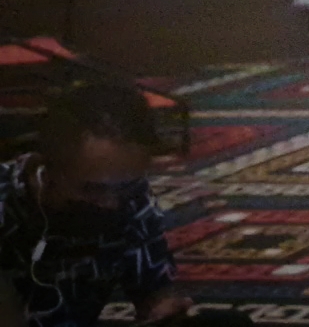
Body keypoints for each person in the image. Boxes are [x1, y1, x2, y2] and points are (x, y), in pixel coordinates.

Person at [0, 83, 245, 327]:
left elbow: (154, 293)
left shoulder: (131, 197)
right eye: (93, 189)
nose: (111, 203)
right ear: (48, 169)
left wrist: (163, 310)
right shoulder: (7, 207)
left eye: (125, 186)